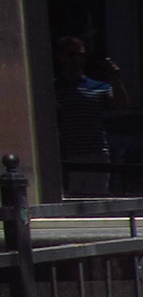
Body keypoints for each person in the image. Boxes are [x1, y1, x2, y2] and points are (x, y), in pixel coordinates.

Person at [52, 36, 127, 197]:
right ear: (61, 57)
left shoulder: (98, 87)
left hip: (96, 152)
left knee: (97, 199)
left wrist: (115, 77)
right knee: (70, 200)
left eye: (80, 55)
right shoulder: (53, 88)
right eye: (71, 55)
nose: (76, 60)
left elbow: (120, 105)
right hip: (68, 154)